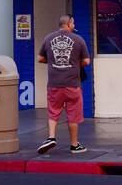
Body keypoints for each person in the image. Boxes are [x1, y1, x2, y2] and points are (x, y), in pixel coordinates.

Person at [37, 14, 90, 156]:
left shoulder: (48, 38)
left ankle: (51, 137)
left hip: (54, 83)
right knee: (73, 114)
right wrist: (73, 64)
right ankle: (74, 145)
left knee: (53, 111)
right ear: (69, 23)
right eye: (73, 22)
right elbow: (86, 61)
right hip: (72, 83)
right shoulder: (78, 39)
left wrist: (54, 62)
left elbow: (40, 58)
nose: (74, 25)